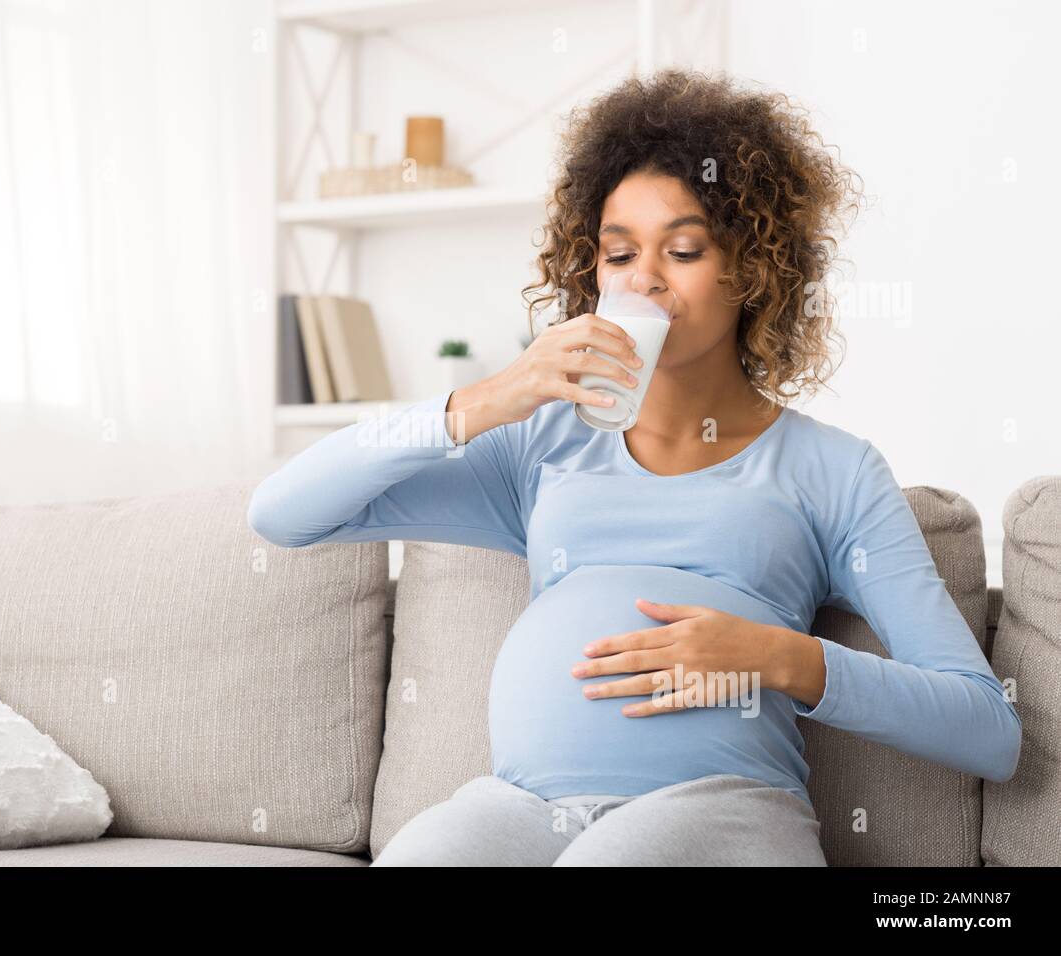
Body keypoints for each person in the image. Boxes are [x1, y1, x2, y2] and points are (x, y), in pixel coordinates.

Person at [247, 69, 1021, 866]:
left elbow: (985, 729)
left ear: (752, 271)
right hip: (521, 810)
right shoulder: (540, 445)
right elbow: (284, 511)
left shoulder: (833, 469)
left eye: (683, 249)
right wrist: (485, 399)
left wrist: (776, 655)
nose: (644, 277)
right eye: (619, 253)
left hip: (716, 813)